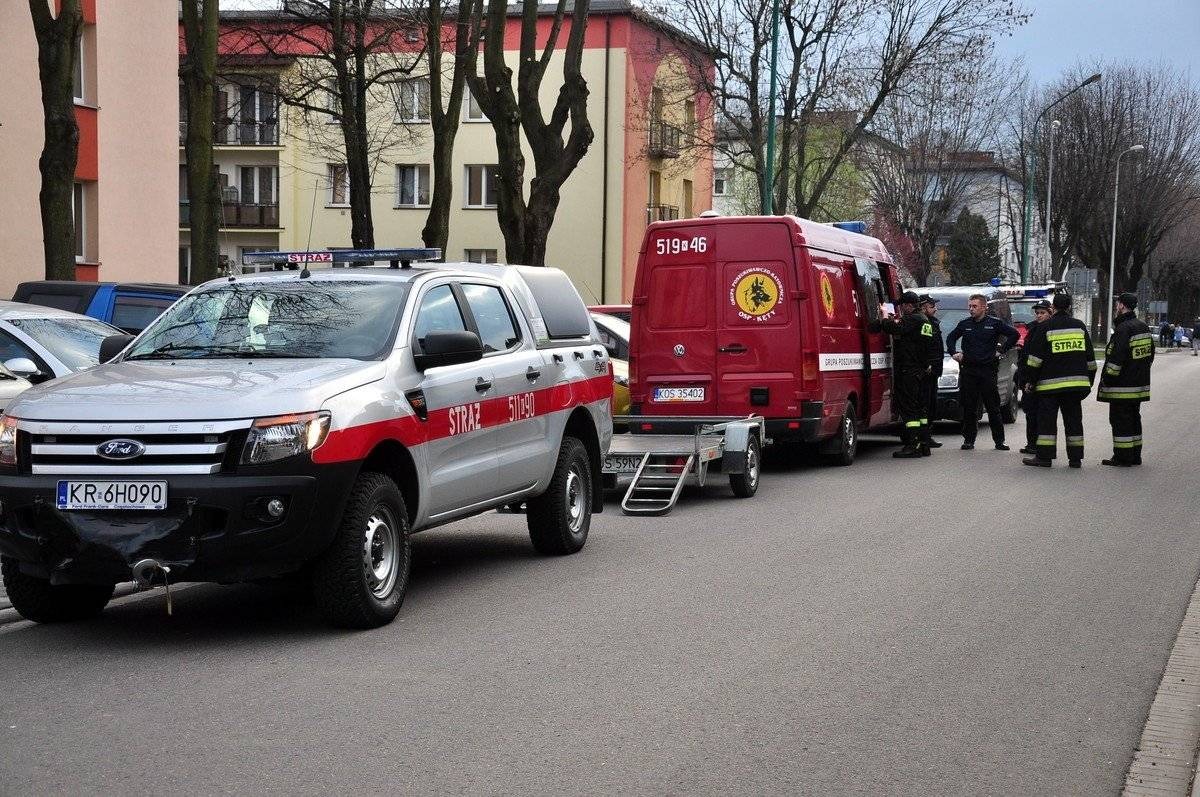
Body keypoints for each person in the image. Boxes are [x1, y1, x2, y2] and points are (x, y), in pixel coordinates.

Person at [1021, 292, 1096, 468]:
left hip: (1049, 387)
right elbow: (1090, 359)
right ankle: (1075, 459)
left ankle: (1045, 458)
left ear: (1053, 308)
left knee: (1047, 423)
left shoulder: (1045, 327)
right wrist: (1088, 382)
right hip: (1075, 387)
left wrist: (1030, 381)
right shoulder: (1079, 326)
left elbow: (1034, 360)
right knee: (1074, 422)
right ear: (1069, 307)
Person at [944, 293, 1020, 451]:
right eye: (970, 306)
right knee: (970, 408)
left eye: (974, 306)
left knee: (993, 407)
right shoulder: (965, 324)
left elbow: (1014, 334)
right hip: (969, 370)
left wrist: (1001, 350)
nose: (971, 309)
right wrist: (954, 353)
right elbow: (951, 338)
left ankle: (999, 441)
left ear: (984, 307)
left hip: (987, 371)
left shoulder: (994, 324)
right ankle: (969, 440)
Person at [1098, 292, 1154, 466]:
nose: (1116, 307)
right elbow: (1150, 355)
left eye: (1117, 304)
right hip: (1138, 385)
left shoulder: (1124, 329)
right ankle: (1135, 455)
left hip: (1121, 387)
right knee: (1134, 420)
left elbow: (1116, 359)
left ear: (1122, 306)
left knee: (1120, 421)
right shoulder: (1142, 326)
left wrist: (1107, 379)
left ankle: (1123, 457)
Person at [880, 291, 932, 458]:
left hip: (909, 370)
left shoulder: (914, 319)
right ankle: (923, 443)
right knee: (918, 408)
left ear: (909, 305)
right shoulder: (924, 320)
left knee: (909, 410)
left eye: (902, 306)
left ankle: (913, 445)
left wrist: (885, 316)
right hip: (919, 370)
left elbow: (893, 328)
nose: (901, 309)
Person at [1017, 299, 1053, 455]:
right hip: (1028, 375)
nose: (1039, 316)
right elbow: (1026, 354)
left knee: (1042, 415)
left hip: (1044, 378)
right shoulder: (1031, 328)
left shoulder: (1051, 329)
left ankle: (1041, 446)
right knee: (1030, 412)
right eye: (1037, 313)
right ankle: (1031, 443)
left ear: (1050, 313)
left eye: (1042, 313)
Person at [919, 295, 944, 452]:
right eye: (931, 305)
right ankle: (923, 437)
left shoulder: (932, 322)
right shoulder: (924, 323)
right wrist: (927, 364)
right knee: (925, 404)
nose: (935, 308)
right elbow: (924, 346)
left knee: (932, 405)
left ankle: (927, 435)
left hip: (934, 370)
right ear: (923, 307)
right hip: (927, 371)